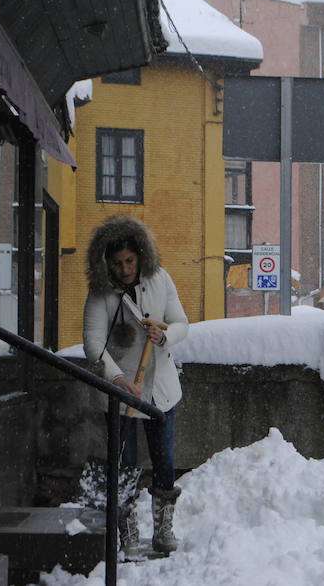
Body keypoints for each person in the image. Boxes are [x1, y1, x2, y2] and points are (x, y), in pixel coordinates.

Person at [83, 215, 189, 558]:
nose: (125, 269)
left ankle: (163, 529)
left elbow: (181, 323)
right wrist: (116, 379)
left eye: (129, 261)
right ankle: (127, 530)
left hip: (160, 392)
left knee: (164, 462)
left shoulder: (160, 279)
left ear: (140, 256)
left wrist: (165, 335)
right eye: (117, 264)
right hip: (121, 395)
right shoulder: (100, 294)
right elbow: (93, 344)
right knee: (124, 465)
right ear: (107, 264)